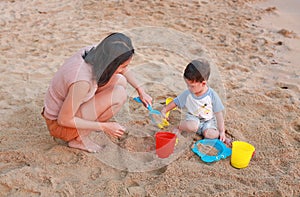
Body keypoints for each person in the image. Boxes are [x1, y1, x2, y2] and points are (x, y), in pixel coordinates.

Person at [42, 33, 152, 153]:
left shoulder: (96, 52)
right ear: (111, 64)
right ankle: (79, 139)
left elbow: (122, 69)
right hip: (60, 126)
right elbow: (64, 120)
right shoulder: (82, 82)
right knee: (119, 94)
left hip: (71, 105)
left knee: (120, 80)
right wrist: (105, 127)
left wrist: (140, 90)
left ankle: (88, 126)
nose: (123, 69)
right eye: (122, 66)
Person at [161, 59, 231, 145]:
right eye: (188, 85)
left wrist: (222, 131)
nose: (189, 88)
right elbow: (176, 102)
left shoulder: (212, 96)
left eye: (192, 86)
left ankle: (222, 137)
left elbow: (219, 114)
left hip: (208, 121)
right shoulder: (188, 94)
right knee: (192, 126)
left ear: (203, 83)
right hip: (193, 119)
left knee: (210, 134)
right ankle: (179, 128)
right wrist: (165, 110)